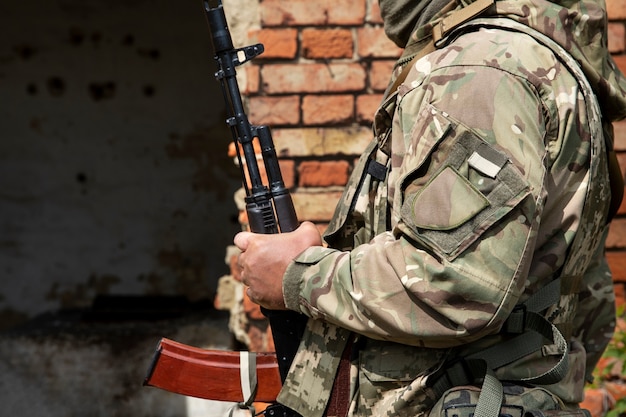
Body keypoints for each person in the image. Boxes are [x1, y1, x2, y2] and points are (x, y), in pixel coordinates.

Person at [234, 0, 626, 416]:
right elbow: (592, 305)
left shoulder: (480, 70)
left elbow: (456, 282)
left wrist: (298, 274)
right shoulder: (542, 62)